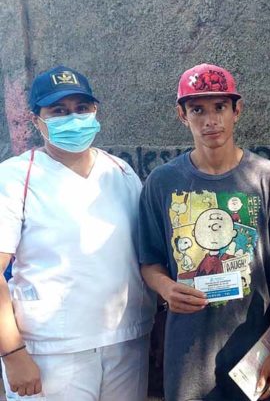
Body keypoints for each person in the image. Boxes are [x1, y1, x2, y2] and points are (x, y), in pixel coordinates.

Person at [138, 63, 270, 400]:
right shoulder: (162, 182)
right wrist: (167, 288)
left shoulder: (269, 178)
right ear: (182, 115)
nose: (210, 120)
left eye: (220, 107)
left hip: (253, 351)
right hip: (188, 357)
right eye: (197, 109)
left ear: (237, 110)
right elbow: (150, 263)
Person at [0, 65, 155, 400]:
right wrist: (12, 354)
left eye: (81, 109)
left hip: (126, 340)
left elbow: (145, 253)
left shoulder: (121, 172)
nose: (73, 118)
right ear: (35, 120)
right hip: (51, 352)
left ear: (95, 111)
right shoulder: (14, 178)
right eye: (59, 111)